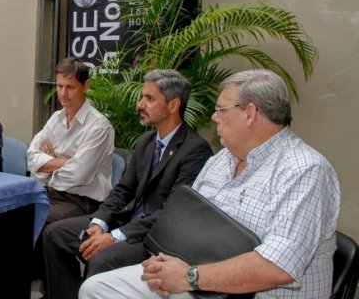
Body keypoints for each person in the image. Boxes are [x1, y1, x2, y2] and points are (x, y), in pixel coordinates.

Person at [79, 69, 341, 299]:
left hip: (251, 293)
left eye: (221, 110)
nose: (214, 118)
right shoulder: (221, 160)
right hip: (198, 282)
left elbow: (278, 267)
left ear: (250, 113)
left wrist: (189, 277)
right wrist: (165, 263)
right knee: (95, 289)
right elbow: (185, 221)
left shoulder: (304, 171)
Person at [43, 69, 213, 299]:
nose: (140, 105)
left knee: (102, 257)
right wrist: (100, 223)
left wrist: (114, 237)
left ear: (173, 105)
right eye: (143, 97)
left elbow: (173, 212)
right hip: (126, 221)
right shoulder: (146, 141)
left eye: (149, 99)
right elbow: (123, 190)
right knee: (56, 235)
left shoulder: (195, 150)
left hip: (156, 236)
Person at [28, 57, 115, 223]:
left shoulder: (99, 126)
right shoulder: (55, 118)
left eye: (70, 87)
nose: (63, 93)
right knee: (9, 209)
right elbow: (31, 157)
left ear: (86, 86)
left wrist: (46, 167)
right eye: (59, 86)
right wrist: (62, 162)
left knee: (31, 218)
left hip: (83, 201)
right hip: (52, 193)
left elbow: (76, 176)